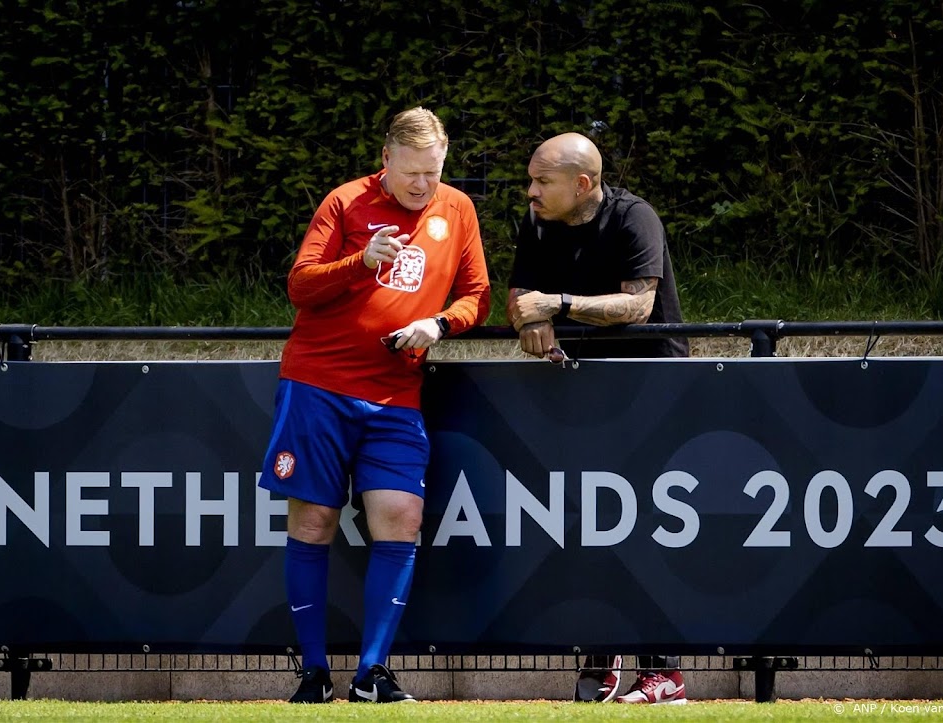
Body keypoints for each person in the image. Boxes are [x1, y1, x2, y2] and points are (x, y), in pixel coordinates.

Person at [259, 107, 491, 704]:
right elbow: (300, 285)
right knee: (313, 521)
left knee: (401, 519)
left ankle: (372, 674)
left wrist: (439, 325)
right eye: (411, 173)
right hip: (319, 385)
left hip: (396, 394)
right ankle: (313, 674)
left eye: (433, 174)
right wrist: (360, 261)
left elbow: (477, 296)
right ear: (385, 159)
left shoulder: (457, 209)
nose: (421, 185)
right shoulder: (345, 203)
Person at [507, 132, 688, 704]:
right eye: (531, 180)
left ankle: (665, 673)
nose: (530, 191)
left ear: (582, 184)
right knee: (589, 527)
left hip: (650, 391)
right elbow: (518, 295)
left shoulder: (637, 218)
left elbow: (638, 305)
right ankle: (603, 655)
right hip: (580, 393)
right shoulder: (536, 223)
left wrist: (555, 307)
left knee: (648, 531)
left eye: (542, 181)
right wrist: (528, 318)